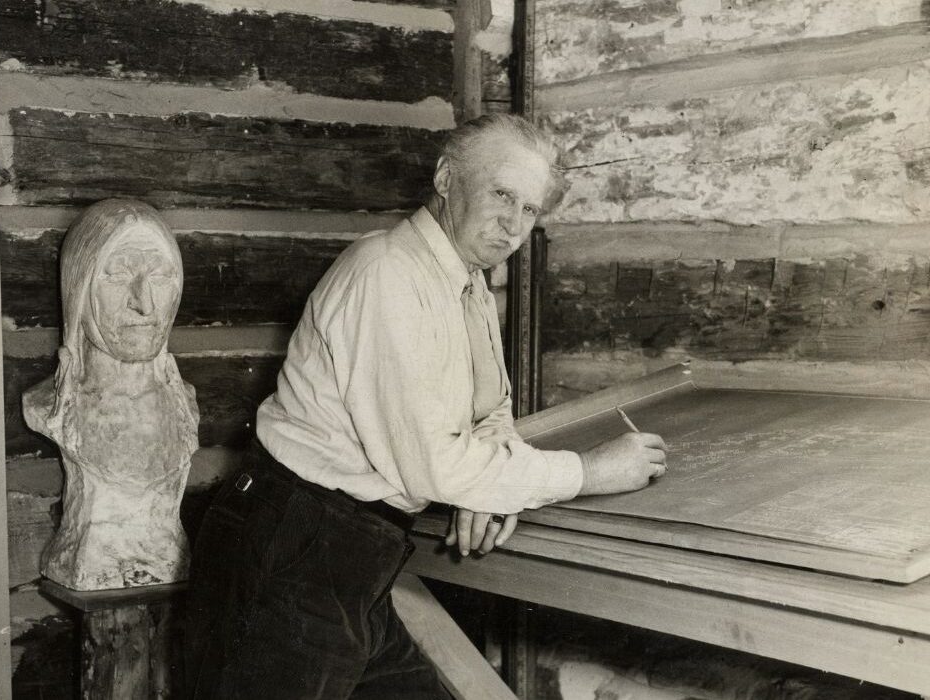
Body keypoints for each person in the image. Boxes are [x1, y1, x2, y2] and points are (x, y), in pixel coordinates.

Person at [185, 114, 667, 698]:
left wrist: (488, 485)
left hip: (352, 555)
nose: (512, 225)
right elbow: (433, 465)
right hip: (293, 549)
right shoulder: (388, 274)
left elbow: (489, 407)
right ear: (445, 178)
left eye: (530, 209)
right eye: (500, 194)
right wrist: (590, 472)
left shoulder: (466, 284)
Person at [24, 198, 198, 590]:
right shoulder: (48, 406)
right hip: (87, 562)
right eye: (117, 277)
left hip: (168, 561)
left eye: (160, 277)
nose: (144, 303)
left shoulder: (184, 402)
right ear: (79, 291)